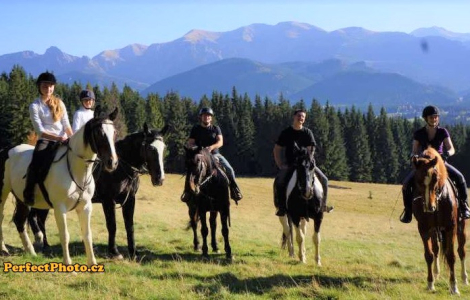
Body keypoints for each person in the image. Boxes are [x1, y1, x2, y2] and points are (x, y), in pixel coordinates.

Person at [400, 105, 470, 223]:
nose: (434, 119)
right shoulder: (419, 133)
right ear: (426, 119)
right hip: (424, 165)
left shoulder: (443, 132)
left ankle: (464, 206)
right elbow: (414, 151)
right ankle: (408, 211)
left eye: (436, 117)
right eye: (432, 117)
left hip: (440, 163)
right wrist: (414, 157)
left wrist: (447, 154)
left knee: (460, 178)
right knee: (406, 185)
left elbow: (452, 148)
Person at [23, 72, 73, 206]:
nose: (48, 89)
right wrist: (58, 137)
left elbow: (66, 125)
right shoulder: (34, 106)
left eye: (51, 86)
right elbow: (40, 131)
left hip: (63, 139)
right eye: (45, 86)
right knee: (36, 162)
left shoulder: (60, 103)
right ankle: (29, 193)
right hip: (46, 140)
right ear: (39, 87)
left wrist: (72, 138)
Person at [273, 108, 332, 216]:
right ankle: (281, 207)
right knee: (279, 181)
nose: (301, 118)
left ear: (304, 119)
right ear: (294, 117)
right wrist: (280, 164)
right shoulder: (286, 132)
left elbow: (311, 149)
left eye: (303, 117)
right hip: (291, 164)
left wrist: (308, 162)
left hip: (305, 165)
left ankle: (323, 206)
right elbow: (277, 149)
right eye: (299, 116)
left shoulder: (307, 132)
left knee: (324, 180)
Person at [181, 107, 243, 202]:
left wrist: (210, 148)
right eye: (204, 115)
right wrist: (196, 149)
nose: (207, 117)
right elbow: (190, 142)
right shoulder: (195, 129)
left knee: (230, 169)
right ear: (201, 117)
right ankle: (187, 192)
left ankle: (234, 190)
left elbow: (220, 142)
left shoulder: (216, 128)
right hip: (200, 155)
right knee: (190, 170)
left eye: (209, 116)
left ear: (211, 118)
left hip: (214, 155)